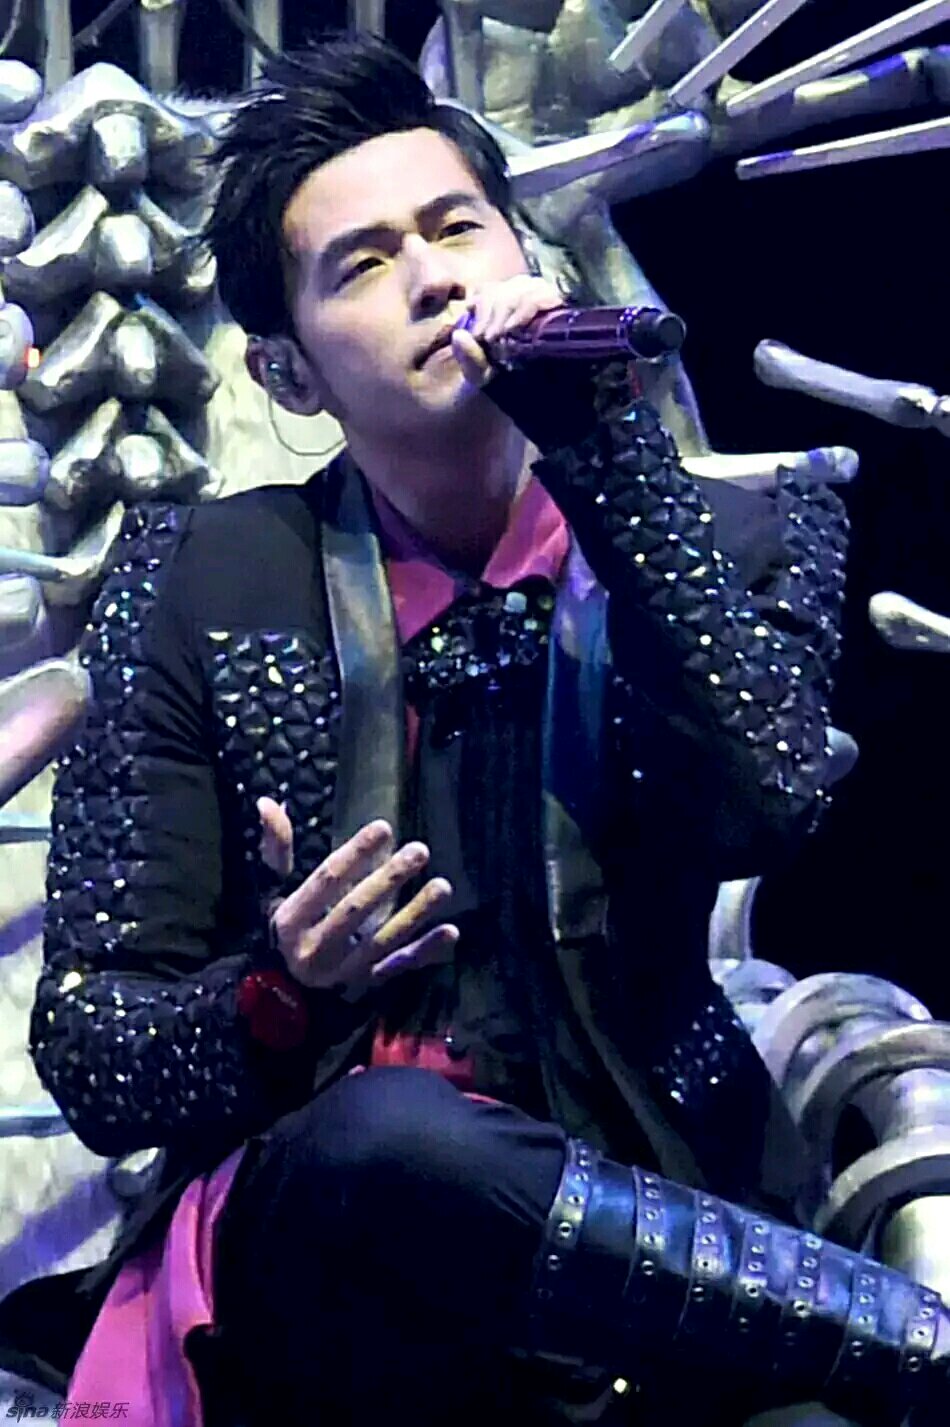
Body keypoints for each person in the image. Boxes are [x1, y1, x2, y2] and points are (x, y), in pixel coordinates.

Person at [0, 31, 945, 1427]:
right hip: (339, 1268)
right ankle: (914, 1341)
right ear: (289, 376)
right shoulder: (200, 581)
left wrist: (602, 446)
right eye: (363, 264)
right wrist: (283, 988)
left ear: (531, 260)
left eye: (457, 229)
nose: (435, 277)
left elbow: (767, 796)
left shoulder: (740, 531)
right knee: (389, 1138)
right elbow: (97, 1052)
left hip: (668, 1240)